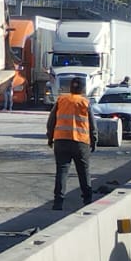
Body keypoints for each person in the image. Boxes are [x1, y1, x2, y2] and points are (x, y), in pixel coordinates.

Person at [46, 76, 93, 211]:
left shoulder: (61, 100)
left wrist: (50, 138)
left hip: (61, 141)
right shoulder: (85, 103)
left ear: (70, 88)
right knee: (83, 172)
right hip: (80, 142)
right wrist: (94, 140)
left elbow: (51, 121)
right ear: (83, 88)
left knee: (61, 171)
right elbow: (92, 124)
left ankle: (58, 202)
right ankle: (88, 200)